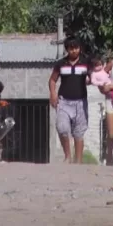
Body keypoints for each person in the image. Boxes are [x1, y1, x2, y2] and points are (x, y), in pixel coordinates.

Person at [49, 36, 91, 164]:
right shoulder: (61, 63)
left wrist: (91, 80)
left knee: (78, 132)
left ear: (80, 48)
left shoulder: (86, 62)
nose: (74, 51)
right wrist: (53, 94)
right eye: (71, 48)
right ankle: (67, 156)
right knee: (62, 128)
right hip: (64, 101)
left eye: (76, 48)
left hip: (80, 102)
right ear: (67, 49)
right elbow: (52, 80)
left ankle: (78, 161)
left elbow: (94, 76)